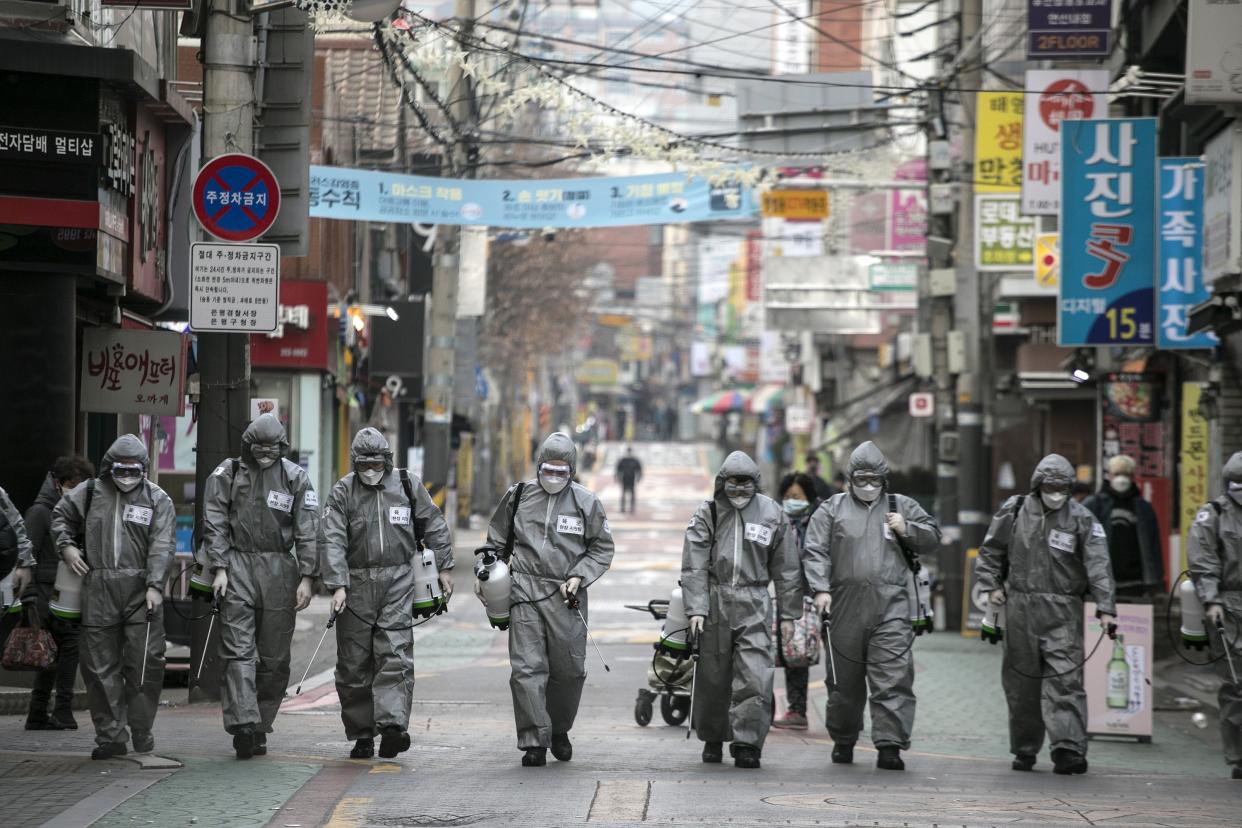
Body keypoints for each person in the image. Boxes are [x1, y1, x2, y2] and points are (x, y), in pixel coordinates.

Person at [803, 441, 940, 771]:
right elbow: (815, 550)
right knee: (843, 684)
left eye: (874, 480)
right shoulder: (831, 509)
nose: (867, 486)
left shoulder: (900, 506)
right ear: (850, 478)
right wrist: (820, 589)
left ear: (884, 480)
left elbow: (933, 535)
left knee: (893, 677)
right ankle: (844, 738)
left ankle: (889, 744)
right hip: (843, 607)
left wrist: (908, 529)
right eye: (861, 479)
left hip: (891, 607)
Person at [976, 454, 1116, 776]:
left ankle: (1068, 749)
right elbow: (991, 552)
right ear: (1038, 485)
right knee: (1021, 685)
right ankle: (1024, 749)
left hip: (1063, 610)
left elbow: (1099, 565)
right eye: (1051, 486)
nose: (1057, 492)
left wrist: (1105, 608)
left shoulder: (1082, 519)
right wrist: (991, 586)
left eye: (1063, 487)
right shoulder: (1014, 511)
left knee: (1066, 680)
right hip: (1019, 608)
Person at [321, 427, 454, 760]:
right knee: (353, 664)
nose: (370, 470)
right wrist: (337, 584)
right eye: (363, 465)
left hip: (398, 580)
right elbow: (332, 539)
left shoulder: (407, 485)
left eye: (376, 464)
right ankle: (362, 733)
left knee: (395, 654)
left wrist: (445, 568)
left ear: (387, 461)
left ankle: (393, 727)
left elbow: (433, 523)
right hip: (355, 584)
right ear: (354, 463)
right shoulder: (343, 492)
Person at [483, 432, 614, 767]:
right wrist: (488, 572)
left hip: (566, 594)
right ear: (538, 466)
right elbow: (497, 539)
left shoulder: (586, 503)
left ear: (572, 471)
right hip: (524, 589)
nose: (554, 477)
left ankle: (558, 730)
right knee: (527, 668)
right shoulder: (520, 495)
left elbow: (601, 548)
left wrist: (578, 575)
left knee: (568, 670)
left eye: (562, 472)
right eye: (548, 470)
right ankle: (534, 740)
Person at [202, 415, 320, 759]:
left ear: (282, 447)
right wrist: (220, 567)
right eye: (259, 448)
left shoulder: (295, 478)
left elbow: (309, 529)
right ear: (248, 446)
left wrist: (308, 577)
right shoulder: (229, 473)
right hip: (237, 564)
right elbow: (214, 519)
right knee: (238, 651)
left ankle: (260, 723)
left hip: (280, 569)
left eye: (272, 449)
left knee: (274, 657)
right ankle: (243, 723)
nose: (265, 454)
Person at [51, 435, 175, 759]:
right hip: (99, 586)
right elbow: (60, 515)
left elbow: (162, 544)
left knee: (145, 662)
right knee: (97, 665)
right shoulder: (91, 492)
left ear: (143, 469)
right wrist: (66, 546)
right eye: (121, 469)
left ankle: (141, 728)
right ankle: (110, 735)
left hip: (141, 590)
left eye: (134, 470)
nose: (127, 476)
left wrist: (155, 585)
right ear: (109, 467)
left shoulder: (157, 499)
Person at [682, 451, 801, 769]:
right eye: (732, 484)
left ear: (755, 484)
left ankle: (747, 741)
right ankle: (712, 737)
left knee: (754, 674)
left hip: (755, 603)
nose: (738, 491)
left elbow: (787, 567)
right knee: (714, 675)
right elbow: (693, 563)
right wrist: (695, 608)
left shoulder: (771, 513)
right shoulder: (709, 512)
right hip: (715, 602)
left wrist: (789, 613)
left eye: (744, 484)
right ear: (721, 483)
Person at [22, 456, 95, 731]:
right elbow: (26, 555)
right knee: (59, 653)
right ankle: (57, 710)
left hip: (68, 593)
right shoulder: (41, 513)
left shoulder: (80, 514)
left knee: (54, 655)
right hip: (46, 595)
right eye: (72, 485)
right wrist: (31, 596)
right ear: (58, 483)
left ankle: (41, 712)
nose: (76, 491)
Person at [1186, 450, 1242, 779]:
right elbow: (1203, 561)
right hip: (1230, 605)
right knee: (1236, 682)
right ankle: (1238, 754)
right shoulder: (1214, 515)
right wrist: (1212, 599)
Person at [771, 472, 822, 731]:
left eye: (797, 497)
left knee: (797, 653)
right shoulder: (774, 520)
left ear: (809, 498)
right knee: (764, 651)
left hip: (806, 597)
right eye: (788, 497)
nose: (791, 501)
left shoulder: (819, 522)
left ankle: (797, 710)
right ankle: (762, 705)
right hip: (773, 597)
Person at [1083, 455, 1163, 598]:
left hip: (1134, 582)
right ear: (1109, 475)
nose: (1122, 478)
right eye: (1117, 474)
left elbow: (1154, 544)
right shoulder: (1094, 504)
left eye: (1126, 474)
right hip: (1100, 580)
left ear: (1132, 477)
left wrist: (1155, 579)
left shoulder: (1143, 508)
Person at [615, 446, 643, 514]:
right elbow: (618, 469)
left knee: (632, 493)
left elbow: (639, 469)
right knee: (624, 493)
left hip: (632, 478)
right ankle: (623, 508)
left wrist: (639, 477)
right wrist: (617, 477)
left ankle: (632, 508)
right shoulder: (623, 460)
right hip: (624, 478)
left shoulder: (634, 460)